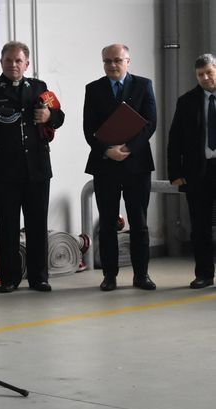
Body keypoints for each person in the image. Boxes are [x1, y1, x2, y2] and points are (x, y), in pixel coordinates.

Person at [0, 41, 64, 293]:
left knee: (37, 224)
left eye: (18, 61)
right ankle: (10, 278)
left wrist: (49, 117)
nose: (13, 65)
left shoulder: (39, 87)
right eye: (8, 60)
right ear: (1, 62)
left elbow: (59, 117)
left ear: (27, 64)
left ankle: (39, 277)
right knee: (7, 225)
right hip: (4, 170)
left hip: (37, 168)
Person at [83, 44, 157, 292]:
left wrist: (128, 148)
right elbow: (89, 129)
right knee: (107, 223)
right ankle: (109, 276)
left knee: (139, 222)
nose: (112, 65)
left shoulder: (143, 85)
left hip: (137, 164)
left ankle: (141, 275)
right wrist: (107, 150)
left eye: (117, 60)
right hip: (105, 164)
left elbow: (150, 123)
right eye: (107, 61)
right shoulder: (93, 89)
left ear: (128, 61)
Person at [167, 53, 216, 289]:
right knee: (200, 226)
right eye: (200, 74)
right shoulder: (186, 101)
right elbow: (174, 139)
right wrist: (175, 172)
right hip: (199, 172)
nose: (205, 78)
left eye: (209, 72)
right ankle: (204, 274)